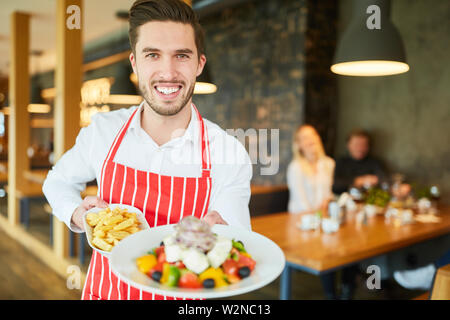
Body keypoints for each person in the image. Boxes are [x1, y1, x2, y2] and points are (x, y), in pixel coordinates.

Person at [43, 0, 252, 300]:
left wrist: (221, 239)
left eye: (181, 55)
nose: (168, 72)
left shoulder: (228, 153)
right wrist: (77, 214)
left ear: (199, 65)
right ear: (135, 63)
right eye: (152, 55)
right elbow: (57, 182)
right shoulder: (103, 131)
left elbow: (236, 242)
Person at [287, 125, 335, 214]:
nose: (311, 139)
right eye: (305, 137)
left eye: (313, 135)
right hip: (300, 217)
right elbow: (301, 201)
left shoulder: (329, 163)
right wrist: (314, 216)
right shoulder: (295, 167)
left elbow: (328, 192)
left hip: (322, 216)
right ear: (298, 145)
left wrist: (326, 202)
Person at [332, 128, 386, 195]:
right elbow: (334, 185)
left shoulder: (374, 163)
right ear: (348, 145)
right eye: (356, 145)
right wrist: (358, 181)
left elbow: (383, 181)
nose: (360, 149)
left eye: (363, 145)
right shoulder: (340, 162)